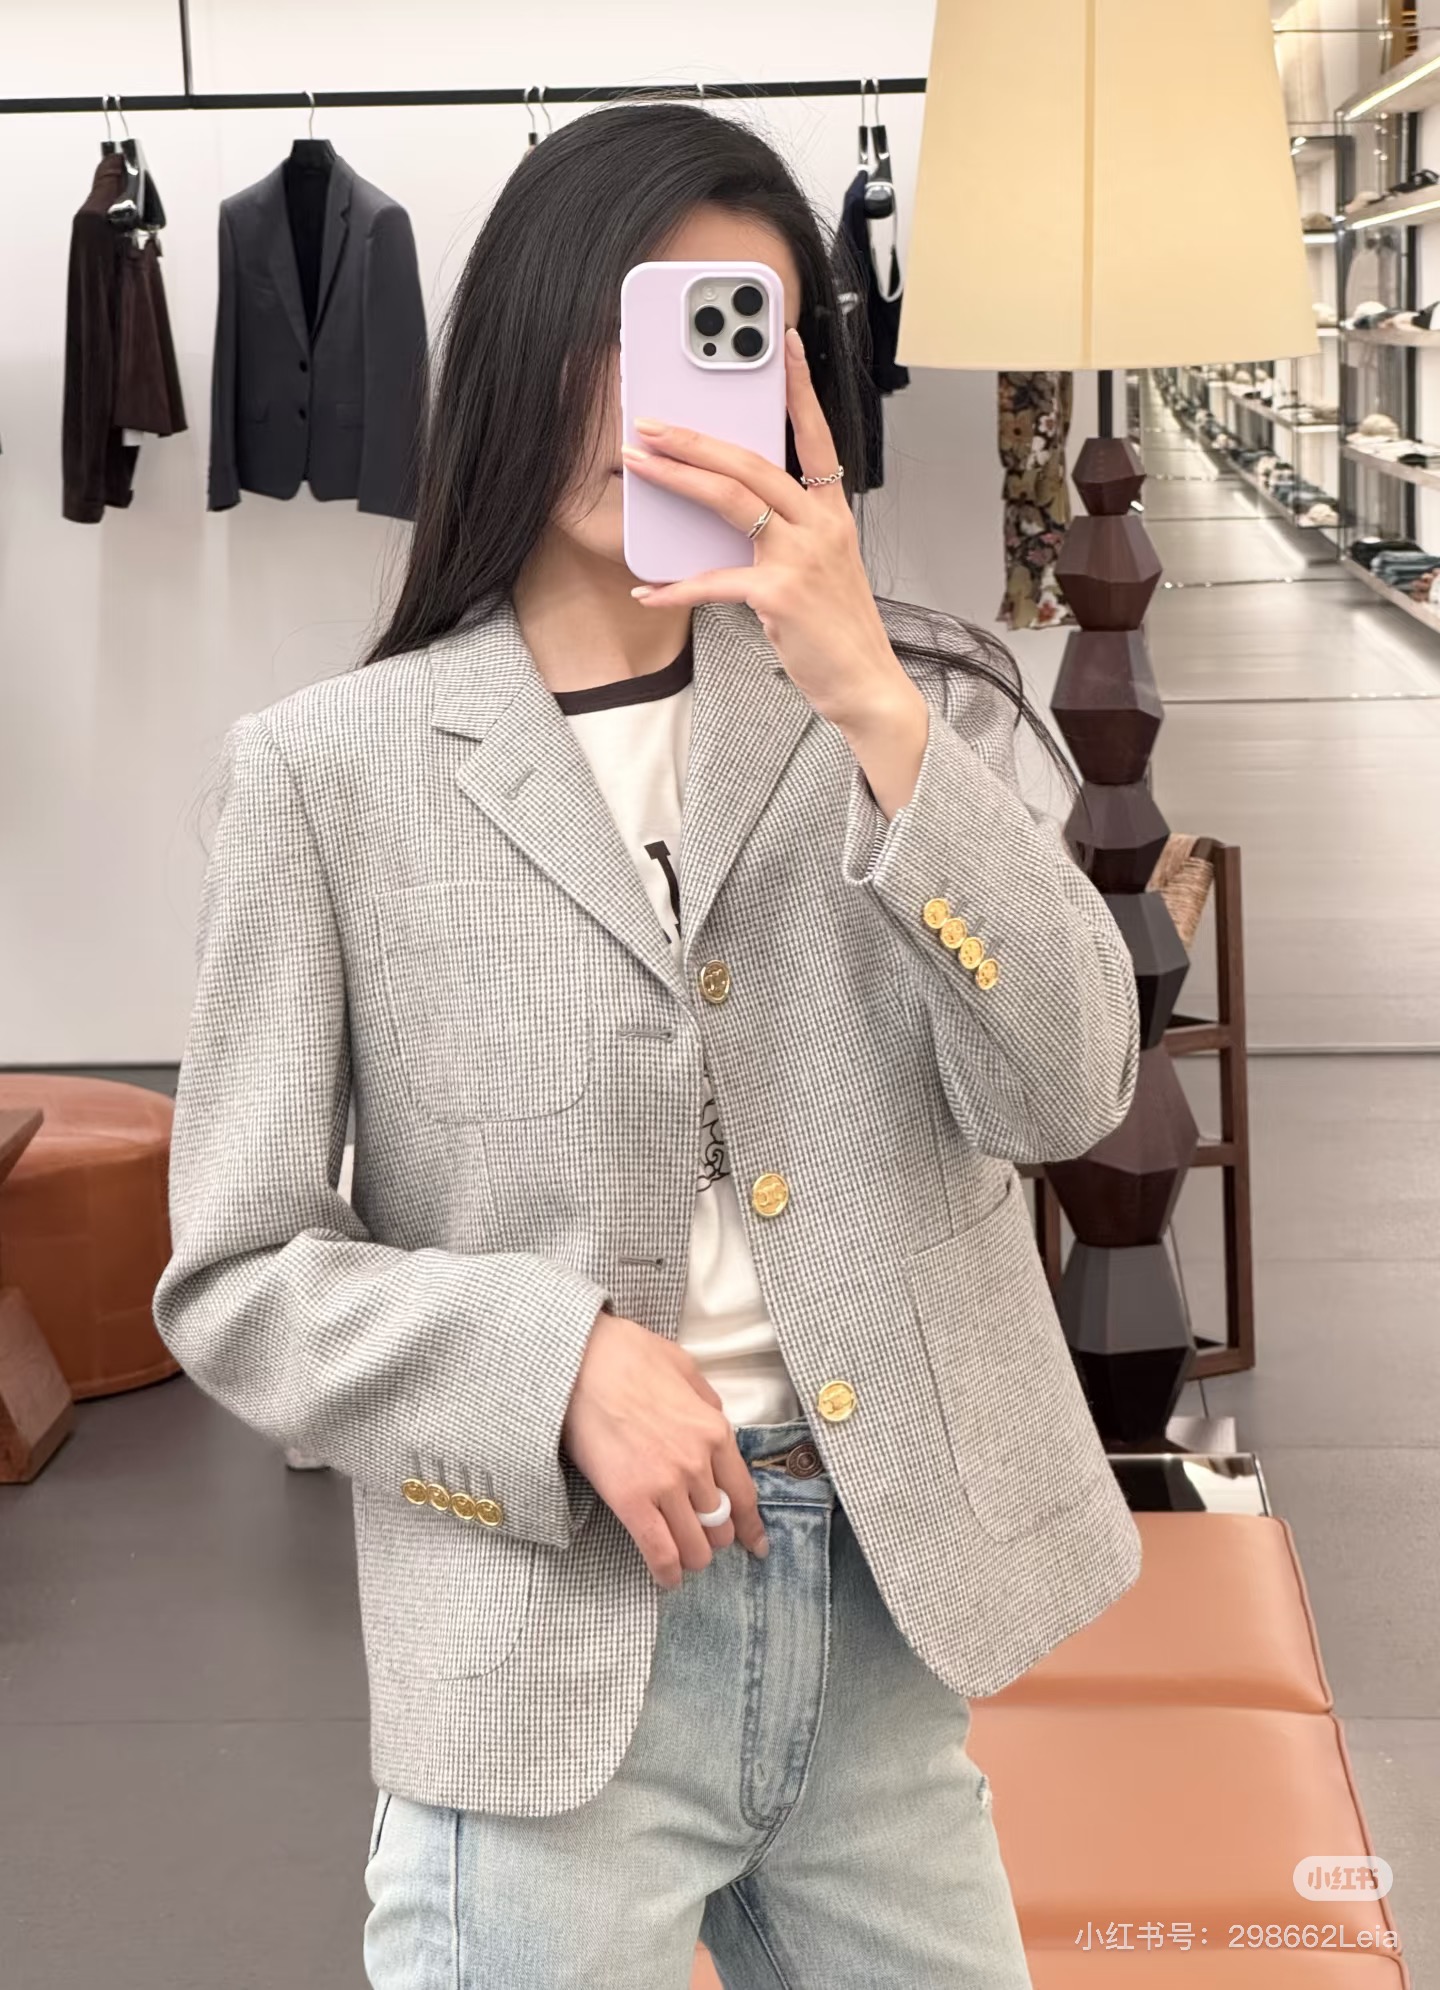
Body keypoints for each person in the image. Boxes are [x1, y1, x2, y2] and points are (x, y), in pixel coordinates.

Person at [154, 101, 1141, 1989]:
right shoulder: (329, 774)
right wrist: (550, 1364)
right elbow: (237, 1274)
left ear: (796, 391)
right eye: (615, 331)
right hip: (541, 1665)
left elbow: (1072, 1085)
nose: (654, 403)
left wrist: (871, 703)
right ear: (519, 350)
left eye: (719, 338)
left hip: (882, 1632)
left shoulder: (915, 706)